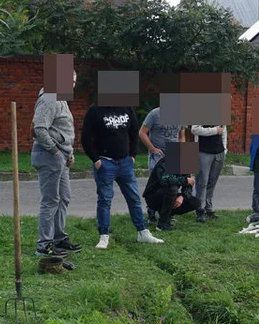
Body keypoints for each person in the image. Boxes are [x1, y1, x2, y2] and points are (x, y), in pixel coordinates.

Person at [82, 101, 164, 249]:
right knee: (105, 200)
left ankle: (142, 232)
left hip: (125, 162)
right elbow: (86, 137)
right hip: (105, 162)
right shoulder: (95, 110)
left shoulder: (127, 106)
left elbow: (134, 132)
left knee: (133, 198)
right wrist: (96, 159)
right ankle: (104, 235)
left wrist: (132, 155)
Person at [31, 70, 82, 257]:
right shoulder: (49, 98)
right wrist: (57, 152)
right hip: (48, 156)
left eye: (74, 81)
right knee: (51, 200)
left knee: (64, 197)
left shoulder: (61, 99)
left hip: (61, 157)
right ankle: (44, 245)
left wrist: (69, 152)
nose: (72, 85)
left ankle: (59, 238)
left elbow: (62, 130)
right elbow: (39, 129)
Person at [139, 106, 184, 224]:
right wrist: (152, 149)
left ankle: (166, 214)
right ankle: (151, 212)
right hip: (158, 156)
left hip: (174, 154)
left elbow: (182, 135)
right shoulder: (154, 114)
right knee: (156, 185)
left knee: (173, 185)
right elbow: (142, 132)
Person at [142, 153, 198, 231]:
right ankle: (162, 224)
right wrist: (185, 180)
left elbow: (188, 186)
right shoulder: (164, 162)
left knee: (195, 202)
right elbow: (163, 180)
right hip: (153, 196)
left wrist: (182, 197)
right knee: (172, 189)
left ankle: (166, 215)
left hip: (169, 195)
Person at [192, 123, 227, 223]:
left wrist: (224, 148)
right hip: (203, 152)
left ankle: (208, 207)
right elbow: (194, 130)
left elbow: (224, 130)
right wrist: (214, 131)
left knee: (212, 182)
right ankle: (200, 210)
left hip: (219, 152)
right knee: (202, 182)